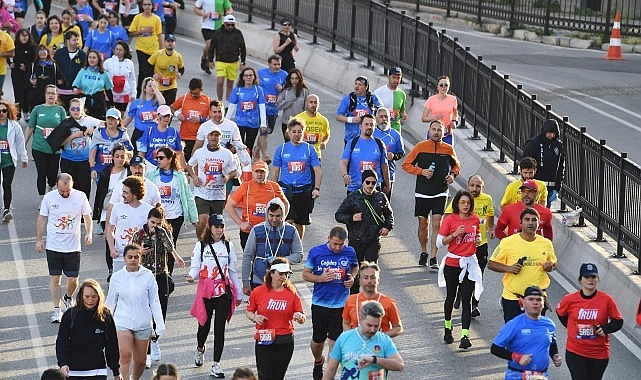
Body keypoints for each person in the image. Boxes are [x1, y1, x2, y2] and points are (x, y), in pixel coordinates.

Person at [188, 214, 242, 378]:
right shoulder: (201, 246)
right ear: (209, 228)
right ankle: (200, 348)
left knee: (220, 328)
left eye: (222, 227)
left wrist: (238, 293)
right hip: (206, 290)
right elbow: (195, 266)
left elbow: (232, 271)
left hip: (223, 292)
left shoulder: (228, 246)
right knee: (203, 326)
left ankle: (216, 364)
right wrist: (191, 276)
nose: (219, 230)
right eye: (216, 227)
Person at [402, 120, 460, 269]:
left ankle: (434, 256)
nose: (436, 132)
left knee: (437, 224)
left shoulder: (448, 149)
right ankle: (423, 252)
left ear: (444, 132)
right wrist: (421, 171)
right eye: (433, 130)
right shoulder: (420, 147)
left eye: (439, 130)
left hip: (440, 191)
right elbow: (406, 165)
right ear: (429, 131)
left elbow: (456, 166)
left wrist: (453, 176)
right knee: (423, 224)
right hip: (422, 192)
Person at [302, 226, 358, 380]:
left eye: (341, 244)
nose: (337, 247)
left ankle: (329, 374)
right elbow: (305, 274)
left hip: (340, 305)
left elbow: (355, 266)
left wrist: (352, 278)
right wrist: (320, 278)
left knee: (334, 341)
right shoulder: (316, 252)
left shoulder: (350, 252)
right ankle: (318, 361)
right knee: (318, 340)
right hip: (320, 304)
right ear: (329, 238)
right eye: (334, 244)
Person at [36, 173, 93, 323]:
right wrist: (39, 239)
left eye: (68, 191)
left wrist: (89, 233)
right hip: (54, 245)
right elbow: (42, 218)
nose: (65, 194)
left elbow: (87, 216)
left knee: (73, 279)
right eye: (62, 191)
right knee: (55, 278)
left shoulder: (80, 197)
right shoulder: (49, 198)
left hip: (73, 246)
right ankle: (56, 309)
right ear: (57, 186)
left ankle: (68, 297)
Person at [132, 205, 184, 364]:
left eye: (158, 223)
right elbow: (130, 254)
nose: (155, 226)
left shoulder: (163, 233)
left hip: (161, 275)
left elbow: (170, 248)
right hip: (144, 276)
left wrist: (163, 235)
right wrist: (140, 251)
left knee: (161, 310)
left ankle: (155, 339)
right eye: (152, 223)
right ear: (147, 220)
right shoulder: (139, 234)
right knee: (145, 313)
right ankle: (146, 351)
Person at [488, 207, 557, 323]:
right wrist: (509, 268)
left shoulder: (546, 243)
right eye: (527, 219)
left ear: (538, 223)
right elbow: (491, 264)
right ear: (520, 223)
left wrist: (550, 267)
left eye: (534, 220)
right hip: (513, 299)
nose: (530, 223)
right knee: (514, 337)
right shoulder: (507, 242)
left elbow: (553, 263)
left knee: (534, 336)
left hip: (537, 300)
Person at [106, 244, 165, 380]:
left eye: (136, 257)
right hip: (122, 322)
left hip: (143, 323)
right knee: (125, 356)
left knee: (141, 362)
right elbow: (110, 303)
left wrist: (160, 324)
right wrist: (105, 325)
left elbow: (154, 301)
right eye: (130, 257)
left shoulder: (148, 276)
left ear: (140, 258)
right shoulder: (117, 277)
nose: (133, 260)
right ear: (125, 258)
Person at [556, 263, 623, 380]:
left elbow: (618, 321)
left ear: (598, 279)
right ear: (580, 280)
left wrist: (605, 329)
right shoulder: (570, 299)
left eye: (593, 277)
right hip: (575, 351)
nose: (590, 280)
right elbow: (560, 313)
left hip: (599, 353)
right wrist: (571, 327)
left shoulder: (606, 300)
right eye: (587, 277)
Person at [246, 258, 307, 380]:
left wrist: (300, 317)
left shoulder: (291, 293)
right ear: (272, 273)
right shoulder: (258, 292)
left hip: (285, 339)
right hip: (264, 338)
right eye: (281, 273)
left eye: (286, 274)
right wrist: (255, 317)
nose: (284, 277)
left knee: (278, 376)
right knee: (265, 376)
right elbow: (249, 311)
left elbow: (302, 316)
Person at [436, 189, 482, 349]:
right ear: (457, 204)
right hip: (453, 263)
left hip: (470, 263)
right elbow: (439, 243)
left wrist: (477, 239)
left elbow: (476, 239)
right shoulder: (450, 219)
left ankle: (464, 335)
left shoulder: (475, 219)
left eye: (468, 203)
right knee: (451, 297)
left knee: (467, 299)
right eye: (462, 202)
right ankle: (448, 327)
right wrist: (455, 234)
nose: (465, 205)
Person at [335, 169, 393, 293]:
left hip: (373, 239)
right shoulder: (353, 197)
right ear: (363, 182)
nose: (371, 185)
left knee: (372, 271)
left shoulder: (380, 197)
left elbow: (389, 214)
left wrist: (387, 227)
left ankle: (371, 297)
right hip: (356, 240)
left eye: (373, 183)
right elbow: (338, 215)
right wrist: (351, 218)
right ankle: (354, 299)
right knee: (355, 271)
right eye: (368, 182)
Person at [444, 174, 494, 317]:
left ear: (482, 187)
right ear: (467, 186)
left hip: (480, 244)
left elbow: (490, 214)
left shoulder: (487, 199)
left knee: (478, 275)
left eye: (478, 186)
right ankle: (460, 292)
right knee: (463, 274)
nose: (474, 188)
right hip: (462, 246)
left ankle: (474, 304)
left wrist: (490, 228)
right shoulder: (460, 200)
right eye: (472, 185)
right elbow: (448, 216)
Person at [491, 286, 563, 380]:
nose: (535, 302)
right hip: (517, 375)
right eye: (531, 299)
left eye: (538, 299)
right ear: (523, 303)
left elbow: (552, 342)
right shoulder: (514, 324)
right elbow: (495, 348)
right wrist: (517, 357)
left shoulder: (549, 324)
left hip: (541, 375)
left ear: (543, 303)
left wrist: (554, 356)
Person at [55, 279, 122, 380]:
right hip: (73, 370)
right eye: (87, 297)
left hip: (97, 370)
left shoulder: (105, 315)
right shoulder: (70, 315)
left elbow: (111, 344)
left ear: (99, 297)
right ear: (81, 297)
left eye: (94, 297)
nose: (90, 300)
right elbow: (62, 341)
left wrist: (116, 371)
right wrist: (63, 364)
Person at [323, 300, 405, 380]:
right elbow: (330, 369)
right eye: (369, 325)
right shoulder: (344, 338)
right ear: (361, 319)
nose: (372, 330)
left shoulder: (384, 340)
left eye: (376, 326)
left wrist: (374, 360)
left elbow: (399, 365)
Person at [146, 145, 198, 267]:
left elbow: (188, 196)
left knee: (170, 245)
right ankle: (157, 271)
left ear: (169, 159)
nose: (158, 160)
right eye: (157, 157)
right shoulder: (152, 175)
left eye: (161, 158)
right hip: (157, 217)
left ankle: (168, 274)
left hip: (175, 217)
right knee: (156, 245)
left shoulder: (179, 176)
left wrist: (194, 218)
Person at [271, 117, 322, 239]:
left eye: (300, 131)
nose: (296, 134)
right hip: (286, 192)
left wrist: (317, 188)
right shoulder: (281, 149)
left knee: (300, 222)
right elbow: (276, 171)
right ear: (288, 132)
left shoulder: (310, 149)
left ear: (303, 132)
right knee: (287, 221)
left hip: (304, 192)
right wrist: (273, 190)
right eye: (294, 131)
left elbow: (318, 171)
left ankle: (298, 248)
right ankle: (285, 247)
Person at [242, 197, 302, 292]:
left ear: (283, 214)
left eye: (278, 216)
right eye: (271, 215)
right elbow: (247, 256)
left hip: (281, 281)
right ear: (266, 214)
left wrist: (281, 260)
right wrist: (245, 283)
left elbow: (298, 255)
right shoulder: (257, 230)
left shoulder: (291, 230)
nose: (274, 219)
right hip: (259, 280)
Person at [225, 160, 289, 249]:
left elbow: (285, 204)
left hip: (269, 231)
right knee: (250, 259)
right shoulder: (245, 186)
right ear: (252, 173)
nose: (259, 174)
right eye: (257, 171)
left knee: (269, 259)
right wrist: (241, 223)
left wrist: (280, 221)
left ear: (267, 173)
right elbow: (229, 206)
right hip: (249, 231)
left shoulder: (274, 187)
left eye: (262, 171)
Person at [49, 98, 102, 200]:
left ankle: (83, 214)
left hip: (85, 161)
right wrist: (74, 136)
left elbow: (105, 123)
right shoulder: (65, 122)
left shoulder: (89, 120)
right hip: (68, 161)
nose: (76, 111)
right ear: (69, 109)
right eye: (73, 108)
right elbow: (59, 144)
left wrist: (94, 128)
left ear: (83, 109)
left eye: (78, 108)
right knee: (69, 190)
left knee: (84, 191)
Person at [188, 125, 237, 231]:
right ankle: (201, 244)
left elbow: (235, 171)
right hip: (202, 193)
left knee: (215, 224)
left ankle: (212, 244)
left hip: (218, 195)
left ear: (220, 138)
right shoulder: (200, 152)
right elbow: (189, 165)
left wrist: (228, 176)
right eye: (211, 135)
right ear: (207, 137)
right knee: (202, 220)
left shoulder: (227, 154)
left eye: (216, 135)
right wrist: (194, 176)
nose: (213, 137)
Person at [93, 143, 129, 281]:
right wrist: (97, 214)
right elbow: (100, 194)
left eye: (122, 157)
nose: (120, 159)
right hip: (107, 212)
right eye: (117, 156)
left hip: (125, 210)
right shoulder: (105, 172)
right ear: (112, 157)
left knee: (124, 239)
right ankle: (111, 268)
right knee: (110, 240)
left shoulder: (129, 172)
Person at [25, 85, 66, 202]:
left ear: (57, 95)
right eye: (49, 93)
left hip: (55, 149)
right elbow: (30, 127)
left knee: (52, 176)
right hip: (39, 147)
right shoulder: (38, 109)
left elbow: (65, 128)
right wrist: (23, 145)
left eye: (53, 93)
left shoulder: (60, 110)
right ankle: (42, 199)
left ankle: (51, 186)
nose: (51, 95)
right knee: (41, 173)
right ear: (45, 95)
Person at [106, 175, 154, 273]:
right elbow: (110, 230)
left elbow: (154, 235)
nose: (122, 195)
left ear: (135, 195)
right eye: (123, 191)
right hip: (120, 257)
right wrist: (112, 249)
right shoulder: (117, 207)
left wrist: (144, 249)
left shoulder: (148, 210)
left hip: (139, 259)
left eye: (125, 192)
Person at [342, 262, 402, 337]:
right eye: (365, 278)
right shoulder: (351, 300)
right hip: (357, 346)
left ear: (378, 280)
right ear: (360, 281)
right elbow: (345, 323)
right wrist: (352, 336)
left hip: (378, 346)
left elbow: (398, 327)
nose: (369, 281)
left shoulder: (388, 303)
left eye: (373, 277)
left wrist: (382, 337)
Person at [340, 114, 390, 195]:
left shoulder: (380, 144)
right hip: (354, 187)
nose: (369, 127)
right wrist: (345, 175)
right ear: (360, 126)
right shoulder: (352, 143)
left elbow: (384, 166)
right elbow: (343, 162)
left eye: (371, 125)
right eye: (366, 124)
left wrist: (387, 185)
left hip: (373, 187)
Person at [523, 119, 566, 207]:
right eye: (549, 132)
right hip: (534, 186)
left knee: (544, 215)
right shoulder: (533, 143)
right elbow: (526, 165)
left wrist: (557, 188)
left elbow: (561, 168)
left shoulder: (558, 145)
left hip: (550, 188)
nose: (551, 135)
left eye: (554, 133)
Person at [226, 66, 266, 157]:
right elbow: (232, 106)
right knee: (239, 145)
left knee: (249, 146)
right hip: (240, 123)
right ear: (243, 77)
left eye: (250, 75)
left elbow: (262, 107)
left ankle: (246, 167)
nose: (248, 77)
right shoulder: (237, 90)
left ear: (254, 77)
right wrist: (226, 121)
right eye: (246, 75)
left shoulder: (258, 90)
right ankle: (238, 164)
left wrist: (263, 124)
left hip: (253, 123)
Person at [170, 78, 211, 162]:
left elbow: (212, 119)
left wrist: (201, 119)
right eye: (191, 93)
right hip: (184, 136)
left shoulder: (207, 101)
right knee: (182, 163)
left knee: (196, 163)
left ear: (201, 90)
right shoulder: (184, 98)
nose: (193, 95)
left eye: (195, 93)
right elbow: (171, 108)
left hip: (199, 139)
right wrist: (178, 114)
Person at [0, 100, 28, 222]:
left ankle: (6, 210)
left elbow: (20, 143)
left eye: (4, 110)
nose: (1, 113)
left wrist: (24, 157)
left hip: (8, 160)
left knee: (7, 185)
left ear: (8, 111)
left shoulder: (14, 125)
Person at [255, 54, 287, 163]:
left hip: (274, 108)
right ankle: (265, 154)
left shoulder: (284, 75)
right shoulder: (261, 73)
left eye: (279, 64)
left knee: (268, 130)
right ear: (269, 64)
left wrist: (281, 89)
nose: (277, 67)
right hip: (262, 108)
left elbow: (288, 91)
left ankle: (257, 149)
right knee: (263, 130)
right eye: (275, 64)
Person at [122, 77, 165, 156]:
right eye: (150, 86)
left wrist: (156, 89)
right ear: (144, 88)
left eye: (154, 86)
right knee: (137, 156)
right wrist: (120, 129)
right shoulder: (136, 103)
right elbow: (128, 118)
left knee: (152, 156)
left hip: (153, 133)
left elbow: (163, 104)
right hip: (139, 133)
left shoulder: (157, 102)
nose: (152, 88)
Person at [206, 14, 246, 100]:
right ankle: (220, 100)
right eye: (228, 25)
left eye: (232, 25)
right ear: (224, 24)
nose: (230, 27)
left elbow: (243, 48)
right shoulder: (218, 33)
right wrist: (210, 60)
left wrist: (243, 62)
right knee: (220, 82)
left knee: (230, 84)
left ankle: (228, 102)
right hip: (221, 61)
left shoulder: (238, 33)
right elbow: (212, 47)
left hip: (233, 61)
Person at [89, 108, 132, 182]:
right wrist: (92, 169)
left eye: (113, 118)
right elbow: (92, 153)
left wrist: (121, 155)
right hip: (101, 171)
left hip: (119, 172)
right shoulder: (98, 133)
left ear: (118, 121)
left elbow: (130, 152)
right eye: (108, 118)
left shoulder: (123, 135)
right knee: (102, 193)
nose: (110, 120)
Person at [129, 1, 163, 96]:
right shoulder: (138, 18)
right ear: (142, 6)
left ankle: (151, 93)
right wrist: (143, 31)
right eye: (145, 4)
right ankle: (138, 94)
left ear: (152, 6)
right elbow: (131, 33)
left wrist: (162, 50)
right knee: (143, 72)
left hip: (154, 50)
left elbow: (160, 35)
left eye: (149, 4)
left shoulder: (157, 19)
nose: (147, 6)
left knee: (151, 73)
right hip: (141, 49)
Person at [336, 76, 382, 144]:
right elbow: (338, 117)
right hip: (351, 139)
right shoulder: (348, 98)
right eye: (356, 84)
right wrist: (352, 120)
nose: (356, 86)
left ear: (366, 87)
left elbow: (383, 114)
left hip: (369, 138)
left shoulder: (373, 98)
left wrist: (373, 121)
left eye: (360, 84)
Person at [136, 104, 185, 169]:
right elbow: (141, 152)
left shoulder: (174, 132)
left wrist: (183, 170)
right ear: (157, 116)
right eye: (164, 116)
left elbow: (179, 152)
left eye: (169, 116)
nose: (167, 118)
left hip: (169, 168)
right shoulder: (149, 131)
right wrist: (140, 167)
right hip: (151, 167)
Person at [373, 107, 404, 200]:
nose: (384, 119)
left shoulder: (395, 134)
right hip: (373, 174)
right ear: (376, 119)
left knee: (385, 203)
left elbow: (401, 153)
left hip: (389, 174)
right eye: (381, 117)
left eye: (386, 116)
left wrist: (394, 156)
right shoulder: (371, 133)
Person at [72, 49, 114, 119]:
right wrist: (75, 89)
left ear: (98, 60)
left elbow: (108, 90)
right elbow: (75, 85)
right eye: (90, 57)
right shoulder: (83, 71)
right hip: (85, 102)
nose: (91, 60)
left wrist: (112, 105)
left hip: (99, 103)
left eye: (94, 58)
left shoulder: (104, 73)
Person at [194, 0, 232, 75]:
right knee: (209, 45)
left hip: (218, 26)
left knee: (215, 47)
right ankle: (204, 57)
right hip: (206, 25)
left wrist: (228, 12)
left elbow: (229, 8)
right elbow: (196, 9)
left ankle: (208, 62)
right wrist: (202, 13)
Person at [53, 30, 87, 110]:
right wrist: (57, 81)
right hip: (61, 91)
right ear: (68, 41)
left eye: (77, 40)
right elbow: (54, 69)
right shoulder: (59, 53)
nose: (77, 42)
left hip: (76, 92)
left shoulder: (82, 55)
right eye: (74, 40)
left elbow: (85, 71)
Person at [27, 44, 64, 114]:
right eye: (40, 50)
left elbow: (60, 78)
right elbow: (26, 81)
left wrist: (61, 81)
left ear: (48, 52)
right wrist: (31, 83)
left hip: (50, 96)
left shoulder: (53, 66)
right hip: (36, 96)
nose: (42, 52)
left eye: (44, 50)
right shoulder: (33, 65)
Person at [421, 75, 458, 145]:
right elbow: (423, 118)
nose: (443, 87)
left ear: (449, 86)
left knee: (448, 155)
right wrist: (434, 118)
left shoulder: (453, 99)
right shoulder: (431, 100)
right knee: (432, 155)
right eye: (441, 85)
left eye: (446, 85)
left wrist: (454, 122)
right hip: (434, 134)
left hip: (447, 133)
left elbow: (455, 114)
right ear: (437, 87)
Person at [149, 34, 183, 105]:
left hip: (171, 86)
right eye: (168, 41)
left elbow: (181, 68)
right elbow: (148, 66)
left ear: (175, 43)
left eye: (172, 41)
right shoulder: (158, 54)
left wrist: (179, 74)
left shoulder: (178, 56)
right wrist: (152, 75)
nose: (170, 43)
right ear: (164, 42)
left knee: (168, 108)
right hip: (157, 86)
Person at [103, 40, 137, 112]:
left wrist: (133, 93)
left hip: (124, 93)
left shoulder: (129, 63)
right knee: (110, 115)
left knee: (120, 117)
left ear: (125, 51)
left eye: (120, 50)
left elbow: (132, 79)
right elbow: (103, 78)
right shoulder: (107, 62)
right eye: (117, 49)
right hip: (110, 93)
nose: (118, 51)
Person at [10, 28, 35, 120]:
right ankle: (17, 113)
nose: (24, 37)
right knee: (18, 93)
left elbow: (34, 60)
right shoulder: (14, 45)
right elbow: (9, 55)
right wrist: (10, 63)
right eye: (22, 35)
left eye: (26, 35)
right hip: (16, 74)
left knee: (27, 94)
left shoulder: (32, 47)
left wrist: (27, 66)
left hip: (27, 74)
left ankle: (26, 111)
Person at [373, 66, 407, 133]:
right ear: (388, 77)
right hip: (381, 130)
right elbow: (372, 111)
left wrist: (403, 115)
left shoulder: (402, 94)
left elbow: (402, 111)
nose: (396, 80)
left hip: (395, 130)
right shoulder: (378, 92)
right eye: (393, 77)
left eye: (398, 78)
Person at [279, 69, 309, 142]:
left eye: (296, 78)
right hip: (287, 123)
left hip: (300, 123)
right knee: (289, 144)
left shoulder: (304, 91)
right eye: (292, 78)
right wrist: (289, 100)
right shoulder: (286, 91)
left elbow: (306, 108)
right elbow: (278, 106)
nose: (294, 81)